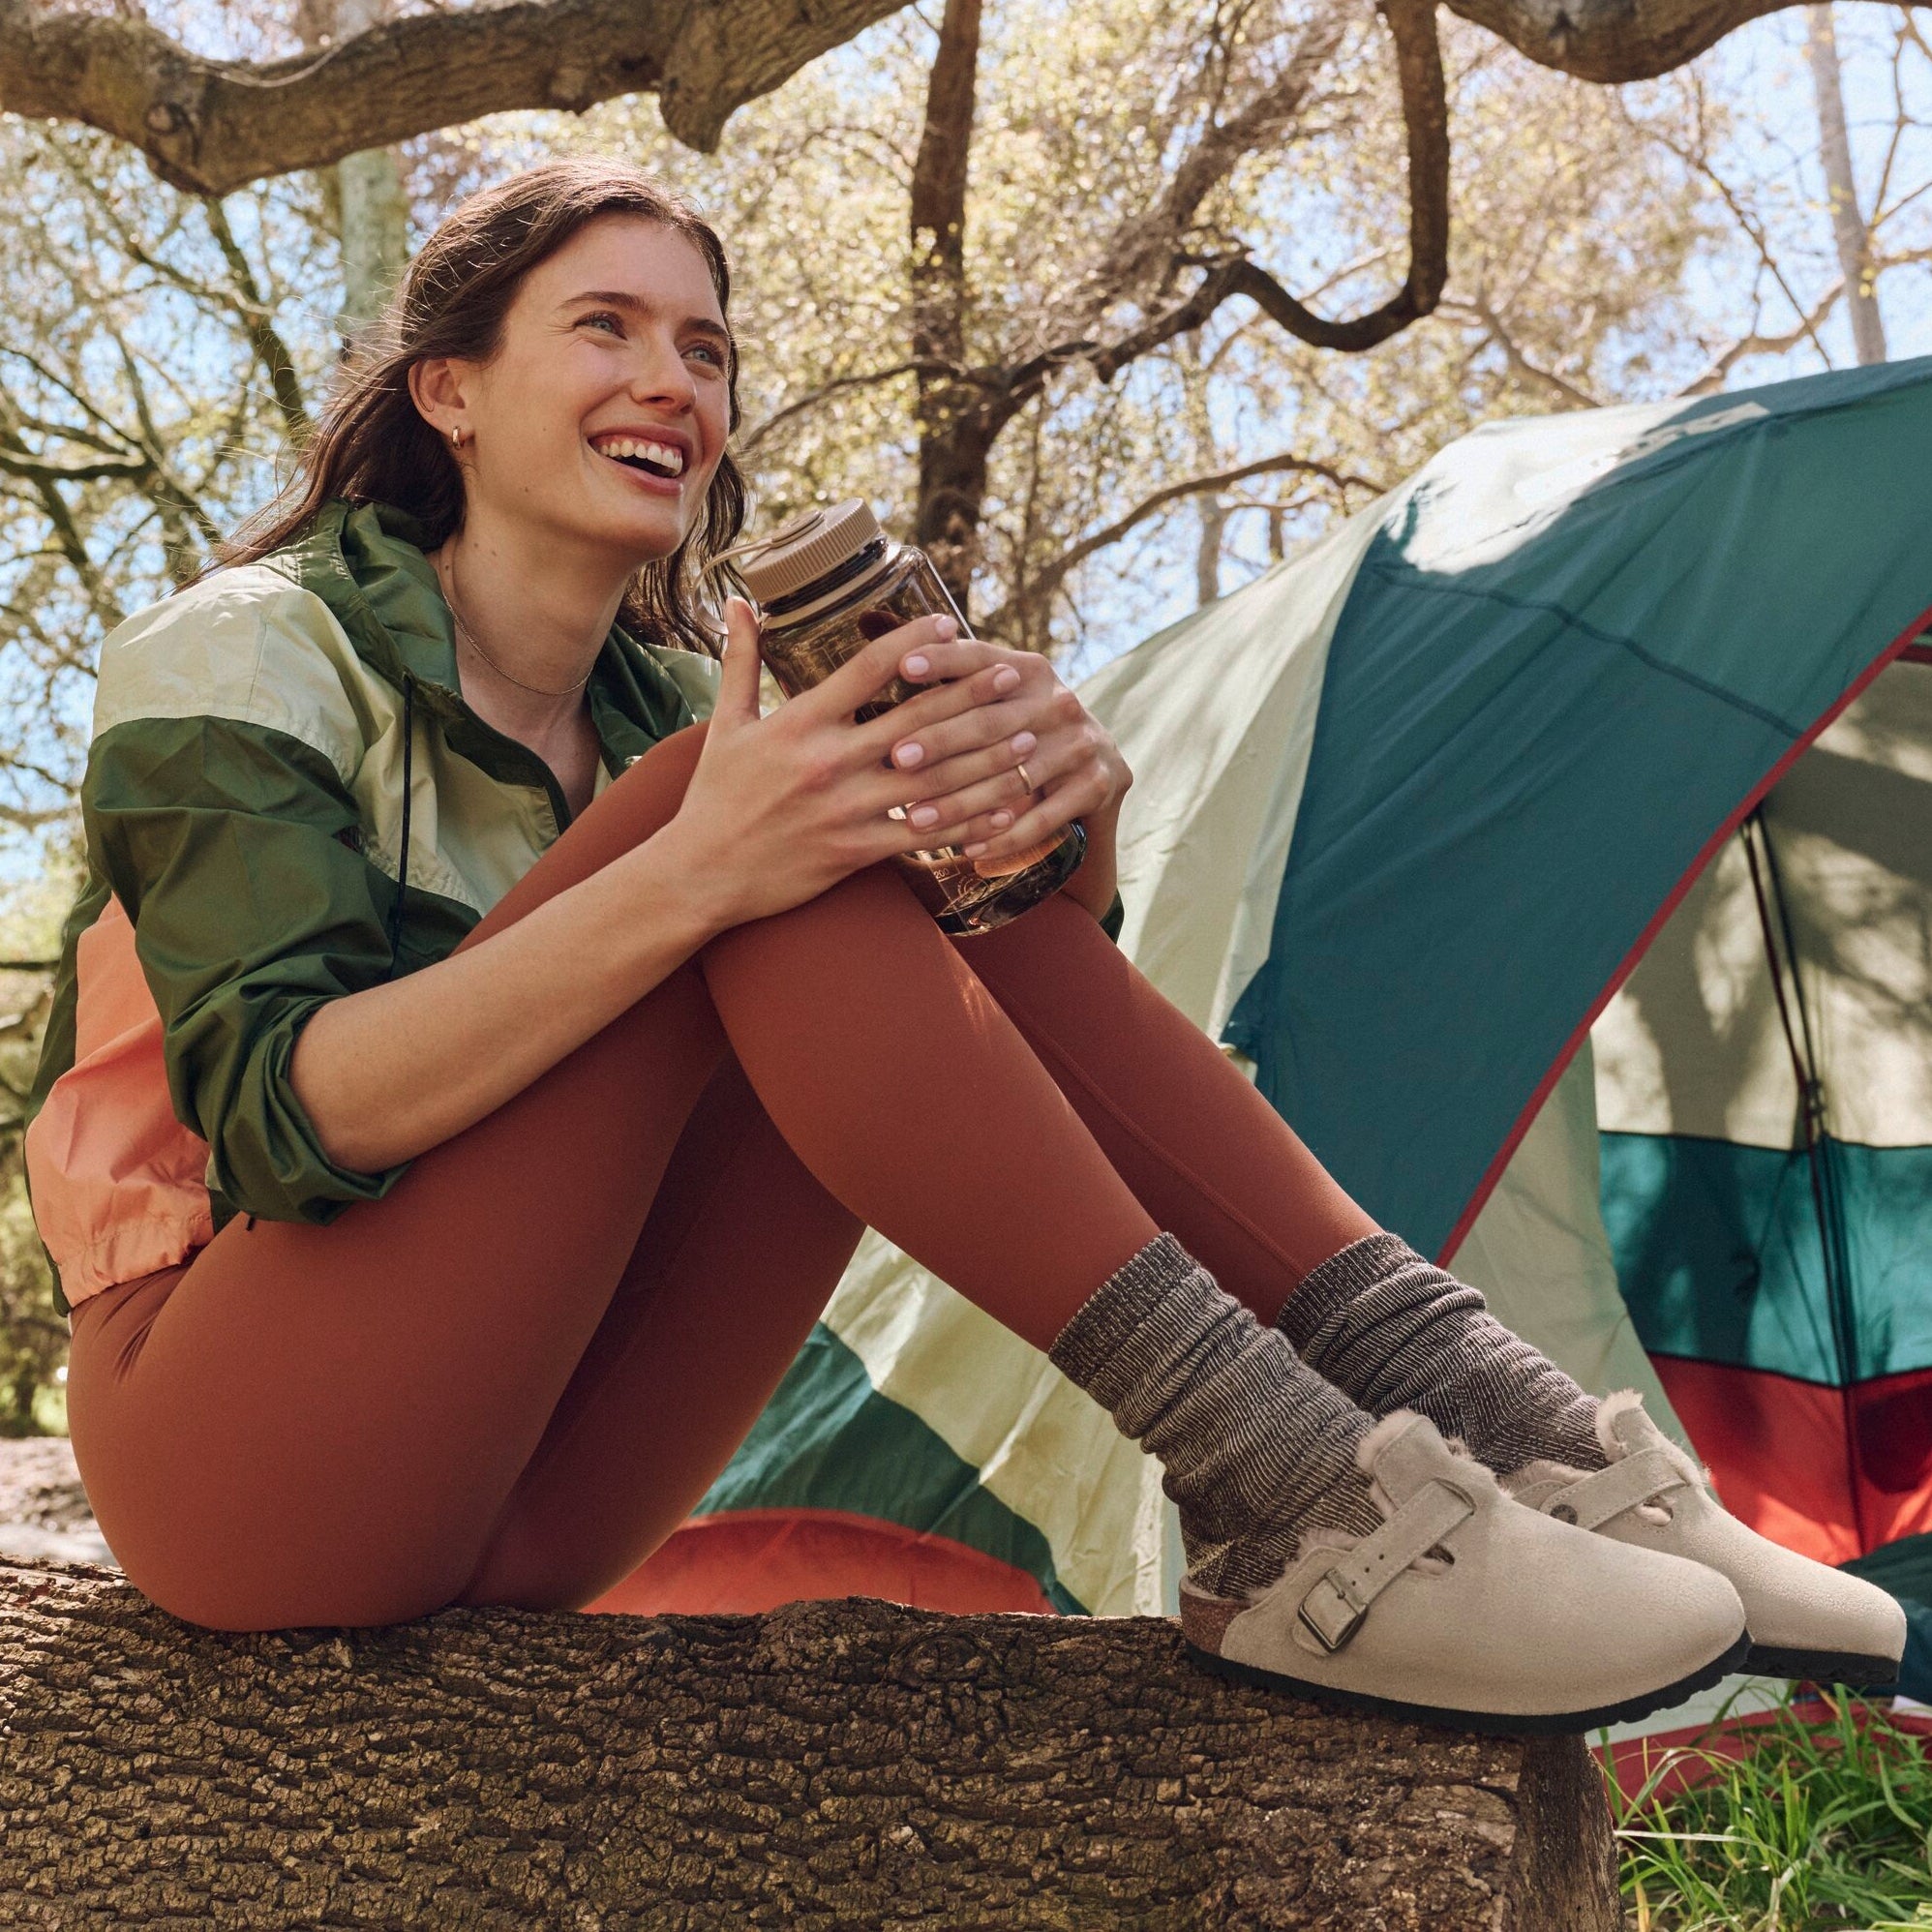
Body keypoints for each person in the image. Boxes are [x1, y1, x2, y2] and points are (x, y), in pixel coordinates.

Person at [26, 159, 1900, 1735]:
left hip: (552, 1477)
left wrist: (1051, 832)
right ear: (446, 386)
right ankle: (1292, 1497)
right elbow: (284, 1109)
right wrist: (701, 859)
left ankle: (1502, 1422)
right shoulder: (245, 649)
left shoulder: (687, 697)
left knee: (798, 798)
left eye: (705, 346)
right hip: (253, 1464)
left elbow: (945, 1016)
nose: (670, 380)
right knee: (738, 805)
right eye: (604, 326)